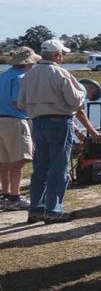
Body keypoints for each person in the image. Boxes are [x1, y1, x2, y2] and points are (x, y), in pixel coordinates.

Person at [17, 39, 101, 223]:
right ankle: (53, 211)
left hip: (37, 123)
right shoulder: (61, 73)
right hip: (58, 122)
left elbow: (21, 103)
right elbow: (75, 102)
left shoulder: (29, 75)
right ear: (56, 55)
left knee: (40, 167)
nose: (62, 56)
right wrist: (82, 93)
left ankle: (36, 209)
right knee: (58, 167)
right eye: (62, 53)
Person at [0, 47, 40, 211]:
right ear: (28, 63)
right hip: (15, 120)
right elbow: (17, 102)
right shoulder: (21, 78)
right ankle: (15, 198)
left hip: (1, 120)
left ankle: (4, 195)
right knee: (19, 161)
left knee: (3, 161)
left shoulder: (3, 76)